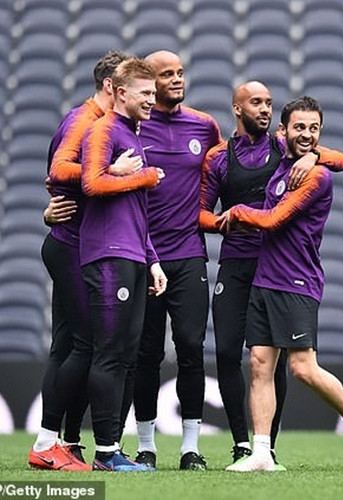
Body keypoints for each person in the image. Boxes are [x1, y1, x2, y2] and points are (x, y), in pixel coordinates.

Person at [213, 95, 343, 472]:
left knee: (302, 368)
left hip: (296, 279)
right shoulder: (285, 165)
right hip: (266, 277)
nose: (307, 134)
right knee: (260, 364)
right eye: (300, 127)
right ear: (282, 131)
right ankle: (261, 453)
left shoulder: (316, 176)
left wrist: (237, 211)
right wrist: (312, 154)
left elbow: (273, 219)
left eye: (314, 129)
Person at [28, 50, 141, 472]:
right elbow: (59, 171)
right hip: (73, 244)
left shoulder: (104, 122)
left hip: (73, 241)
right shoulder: (85, 119)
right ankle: (47, 442)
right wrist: (111, 169)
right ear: (113, 86)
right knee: (86, 345)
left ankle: (61, 442)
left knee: (69, 345)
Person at [131, 50, 222, 471]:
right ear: (149, 82)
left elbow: (230, 167)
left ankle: (190, 449)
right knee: (146, 353)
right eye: (167, 74)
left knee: (190, 348)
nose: (177, 79)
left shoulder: (204, 126)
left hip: (188, 256)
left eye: (180, 72)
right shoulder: (132, 125)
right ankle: (146, 447)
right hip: (143, 254)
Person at [80, 57, 167, 472]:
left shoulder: (132, 133)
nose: (152, 99)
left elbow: (135, 211)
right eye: (145, 93)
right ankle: (105, 452)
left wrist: (152, 259)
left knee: (127, 356)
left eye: (153, 93)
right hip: (107, 254)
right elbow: (91, 182)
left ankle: (113, 448)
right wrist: (144, 177)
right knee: (110, 353)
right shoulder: (103, 129)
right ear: (119, 92)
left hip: (132, 253)